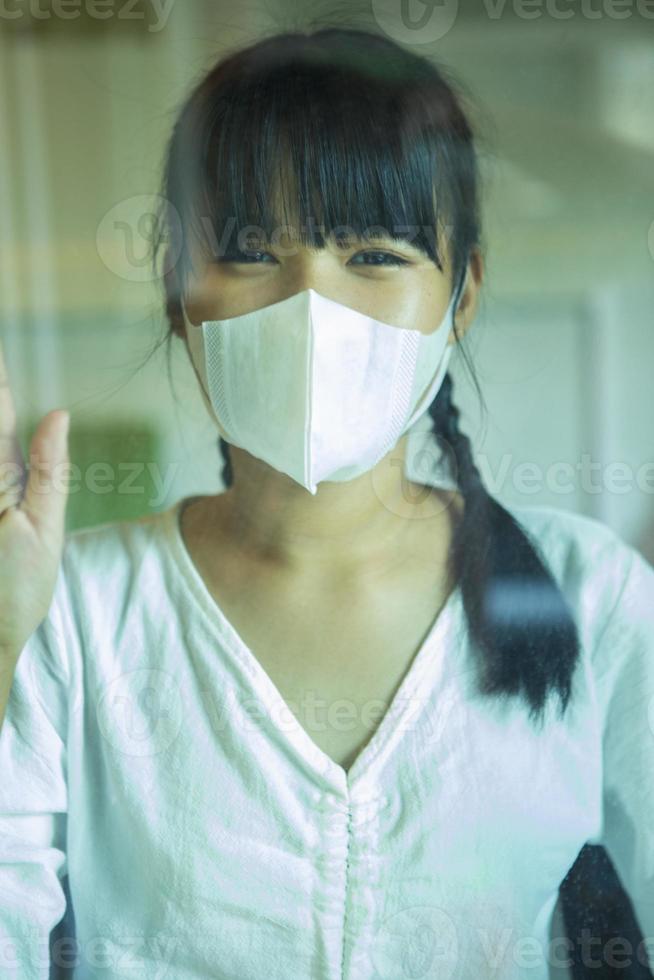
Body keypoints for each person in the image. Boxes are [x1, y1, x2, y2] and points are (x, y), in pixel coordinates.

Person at [0, 26, 653, 980]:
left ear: (460, 295)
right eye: (251, 249)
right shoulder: (70, 611)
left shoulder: (592, 597)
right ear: (180, 292)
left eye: (377, 254)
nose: (313, 303)